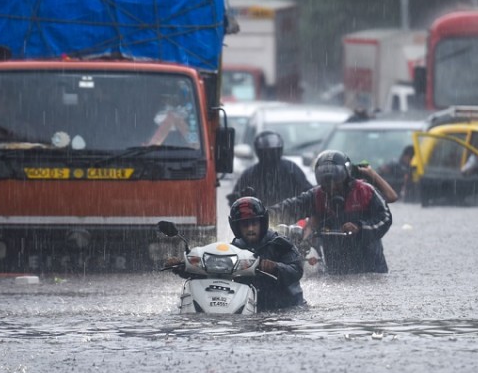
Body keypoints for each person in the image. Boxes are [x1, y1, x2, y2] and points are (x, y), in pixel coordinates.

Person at [166, 196, 305, 311]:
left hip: (287, 308)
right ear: (236, 227)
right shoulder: (234, 249)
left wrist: (275, 267)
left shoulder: (280, 244)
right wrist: (183, 267)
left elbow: (297, 270)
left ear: (262, 223)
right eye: (245, 225)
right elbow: (211, 272)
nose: (250, 228)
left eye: (254, 223)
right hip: (250, 308)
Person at [270, 150, 392, 274]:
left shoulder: (365, 191)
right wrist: (262, 215)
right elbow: (290, 207)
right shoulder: (316, 195)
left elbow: (385, 218)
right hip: (336, 269)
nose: (331, 188)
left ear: (346, 178)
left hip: (371, 268)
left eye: (336, 182)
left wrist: (359, 227)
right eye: (326, 184)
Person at [227, 131, 312, 207]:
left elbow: (308, 193)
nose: (270, 156)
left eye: (273, 152)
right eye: (266, 152)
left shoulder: (291, 170)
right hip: (260, 220)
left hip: (291, 218)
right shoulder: (250, 174)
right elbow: (235, 201)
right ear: (259, 152)